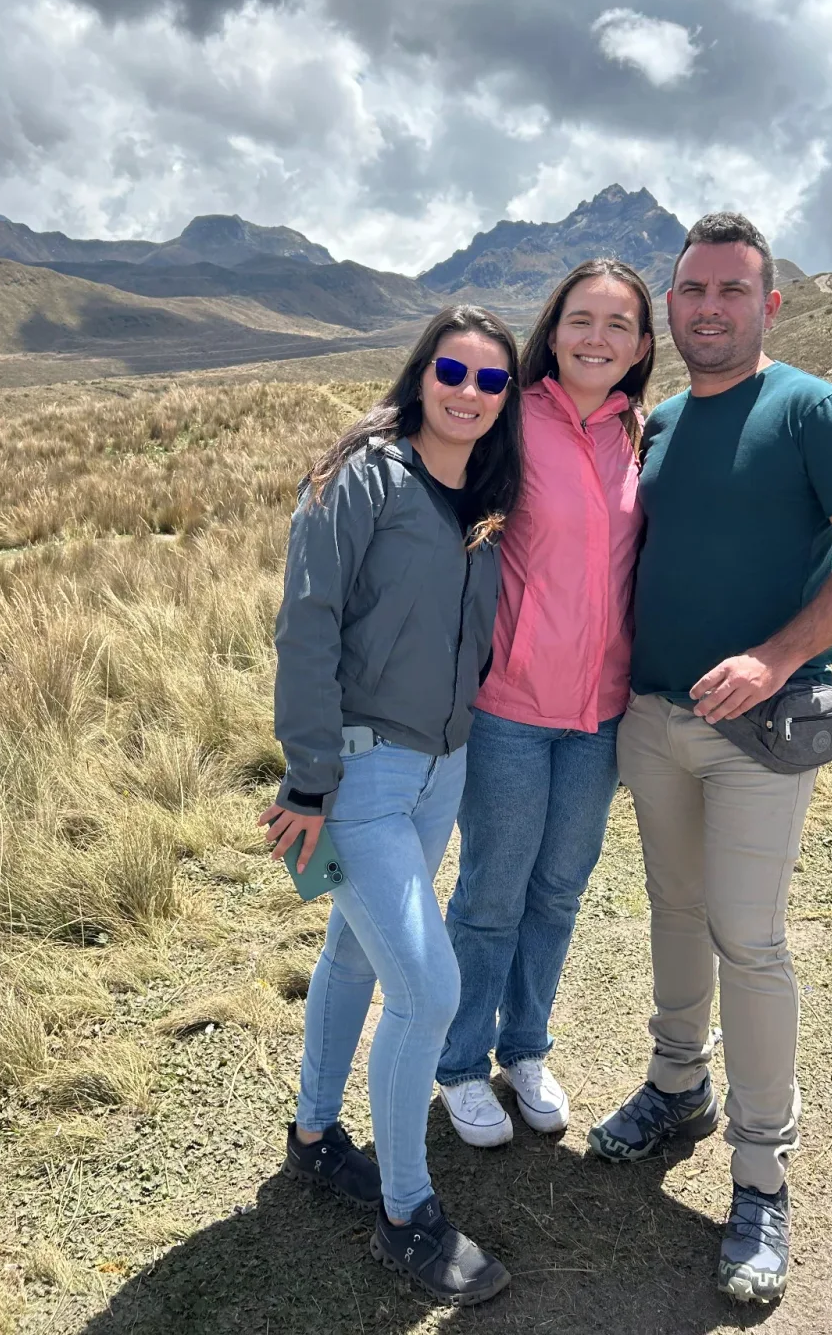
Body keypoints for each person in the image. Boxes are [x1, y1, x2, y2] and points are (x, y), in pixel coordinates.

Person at [587, 214, 832, 1305]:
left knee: (749, 934)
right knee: (674, 912)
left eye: (733, 290)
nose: (710, 308)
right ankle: (676, 1086)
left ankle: (762, 1172)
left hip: (756, 737)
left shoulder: (814, 409)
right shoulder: (661, 421)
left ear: (769, 305)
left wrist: (777, 658)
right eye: (693, 291)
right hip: (652, 719)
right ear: (670, 306)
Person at [262, 305, 523, 1308]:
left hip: (442, 768)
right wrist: (309, 778)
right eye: (452, 370)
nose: (468, 391)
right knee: (428, 988)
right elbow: (308, 626)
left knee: (356, 954)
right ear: (422, 372)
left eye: (491, 380)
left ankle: (315, 1134)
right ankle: (408, 1213)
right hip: (360, 775)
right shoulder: (358, 477)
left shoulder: (486, 496)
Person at [435, 259, 654, 1146]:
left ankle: (525, 1048)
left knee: (560, 891)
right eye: (581, 319)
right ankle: (457, 1063)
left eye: (619, 324)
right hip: (511, 707)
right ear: (553, 328)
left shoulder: (644, 431)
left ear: (643, 346)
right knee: (492, 892)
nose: (597, 337)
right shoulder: (509, 420)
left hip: (602, 713)